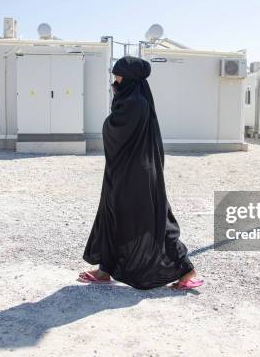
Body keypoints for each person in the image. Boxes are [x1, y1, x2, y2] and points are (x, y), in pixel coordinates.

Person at [79, 56, 202, 290]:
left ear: (129, 77)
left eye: (118, 76)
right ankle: (105, 269)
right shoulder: (134, 98)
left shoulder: (134, 102)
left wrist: (108, 123)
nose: (115, 80)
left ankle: (187, 270)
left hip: (135, 174)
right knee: (113, 214)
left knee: (149, 220)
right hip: (126, 171)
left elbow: (115, 129)